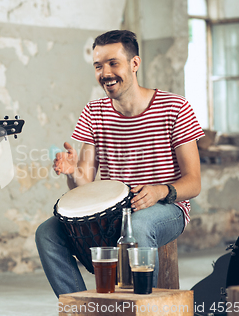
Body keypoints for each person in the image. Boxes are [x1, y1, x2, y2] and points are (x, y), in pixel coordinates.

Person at [35, 30, 204, 297]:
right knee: (47, 232)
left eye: (113, 63)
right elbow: (85, 183)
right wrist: (72, 172)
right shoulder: (94, 112)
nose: (105, 72)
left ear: (134, 64)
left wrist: (160, 190)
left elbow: (194, 182)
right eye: (98, 65)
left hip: (165, 207)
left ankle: (142, 309)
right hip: (112, 211)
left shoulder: (175, 107)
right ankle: (83, 312)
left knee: (138, 226)